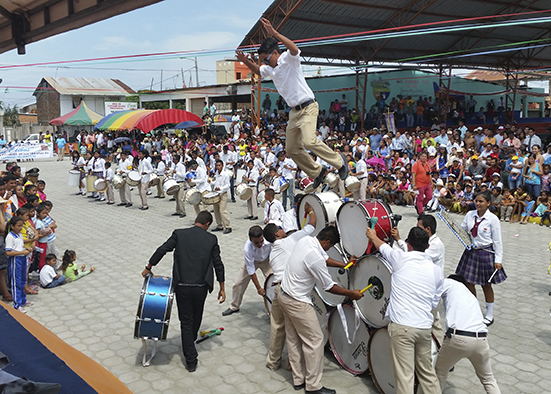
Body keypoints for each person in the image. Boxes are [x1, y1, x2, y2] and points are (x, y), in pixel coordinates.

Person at [236, 18, 348, 190]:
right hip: (294, 112)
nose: (265, 63)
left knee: (309, 142)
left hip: (308, 106)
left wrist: (274, 34)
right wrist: (245, 61)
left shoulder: (289, 60)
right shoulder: (270, 69)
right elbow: (258, 70)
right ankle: (318, 172)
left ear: (274, 53)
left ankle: (340, 161)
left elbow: (294, 48)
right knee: (292, 148)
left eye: (266, 59)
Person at [279, 226, 363, 394]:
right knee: (316, 340)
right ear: (327, 242)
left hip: (284, 294)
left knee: (294, 339)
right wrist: (350, 294)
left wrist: (346, 264)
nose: (329, 250)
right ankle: (313, 386)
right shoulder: (315, 256)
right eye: (330, 246)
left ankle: (298, 379)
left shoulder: (307, 241)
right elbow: (329, 286)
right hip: (297, 302)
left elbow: (325, 260)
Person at [145, 211, 225, 372]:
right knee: (196, 317)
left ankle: (190, 356)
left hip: (182, 286)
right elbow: (218, 263)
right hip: (201, 287)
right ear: (208, 225)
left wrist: (149, 266)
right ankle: (190, 349)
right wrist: (222, 287)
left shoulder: (179, 234)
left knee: (186, 321)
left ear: (195, 220)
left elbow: (163, 249)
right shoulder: (211, 239)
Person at [366, 226, 443, 394]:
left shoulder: (401, 259)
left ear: (408, 245)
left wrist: (372, 236)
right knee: (427, 374)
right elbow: (434, 302)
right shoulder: (436, 271)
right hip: (424, 328)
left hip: (402, 327)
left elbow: (382, 247)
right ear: (427, 247)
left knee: (405, 376)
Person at [263, 202, 317, 372]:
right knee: (293, 330)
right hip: (290, 290)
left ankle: (273, 362)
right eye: (280, 228)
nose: (282, 229)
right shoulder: (288, 240)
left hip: (278, 290)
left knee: (277, 327)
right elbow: (311, 227)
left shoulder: (273, 251)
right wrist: (311, 211)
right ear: (277, 234)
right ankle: (292, 366)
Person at [435, 274, 502, 394]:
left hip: (458, 338)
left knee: (439, 375)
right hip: (481, 340)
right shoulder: (471, 297)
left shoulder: (450, 283)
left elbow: (431, 291)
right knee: (488, 379)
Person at [455, 191, 506, 326]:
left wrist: (498, 260)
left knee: (485, 284)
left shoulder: (493, 219)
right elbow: (463, 230)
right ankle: (474, 309)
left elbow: (497, 241)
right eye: (476, 201)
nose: (477, 203)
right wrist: (455, 227)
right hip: (471, 252)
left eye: (481, 201)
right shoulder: (470, 215)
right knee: (468, 282)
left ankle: (489, 314)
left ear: (488, 203)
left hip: (486, 253)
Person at [222, 225, 272, 316]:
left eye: (261, 241)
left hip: (267, 261)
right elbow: (251, 270)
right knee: (238, 283)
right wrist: (259, 288)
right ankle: (234, 306)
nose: (260, 244)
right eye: (256, 243)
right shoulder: (247, 249)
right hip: (253, 261)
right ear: (250, 240)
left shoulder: (269, 240)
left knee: (274, 283)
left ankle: (274, 309)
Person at [210, 160, 232, 234]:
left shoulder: (225, 175)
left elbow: (228, 185)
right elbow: (215, 182)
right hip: (216, 194)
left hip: (223, 194)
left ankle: (228, 226)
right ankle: (219, 225)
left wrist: (221, 188)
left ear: (222, 166)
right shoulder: (216, 174)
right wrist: (211, 182)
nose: (218, 167)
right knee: (216, 210)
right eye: (217, 165)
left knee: (222, 211)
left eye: (219, 165)